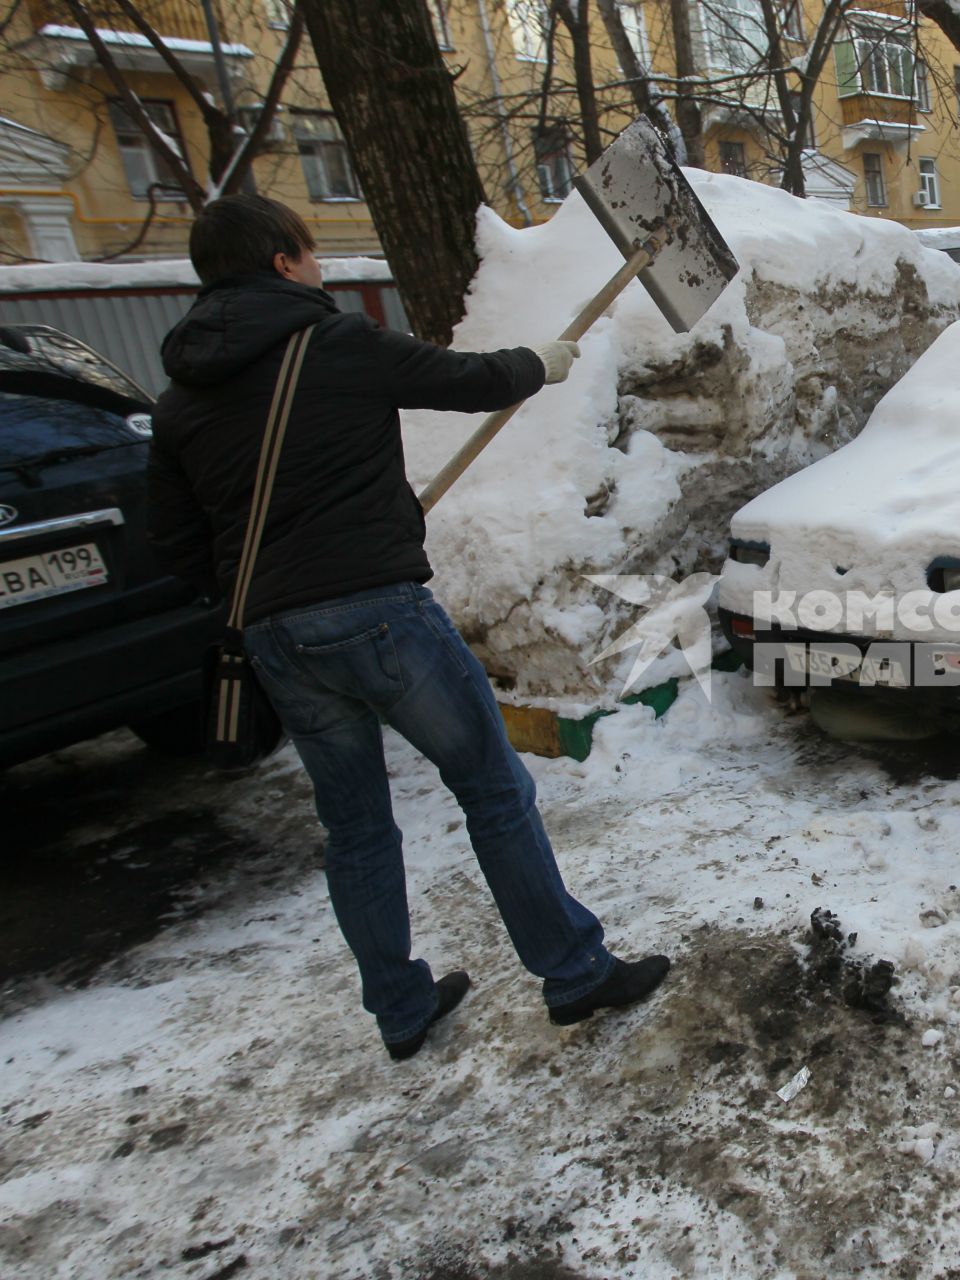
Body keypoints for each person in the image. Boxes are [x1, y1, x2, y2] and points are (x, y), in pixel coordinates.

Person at [147, 194, 669, 1061]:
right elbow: (463, 382)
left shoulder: (179, 400)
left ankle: (400, 1005)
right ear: (283, 261)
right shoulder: (332, 343)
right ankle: (575, 973)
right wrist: (540, 361)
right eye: (309, 254)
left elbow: (174, 543)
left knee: (353, 826)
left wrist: (275, 590)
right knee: (493, 789)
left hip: (276, 639)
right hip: (378, 616)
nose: (318, 269)